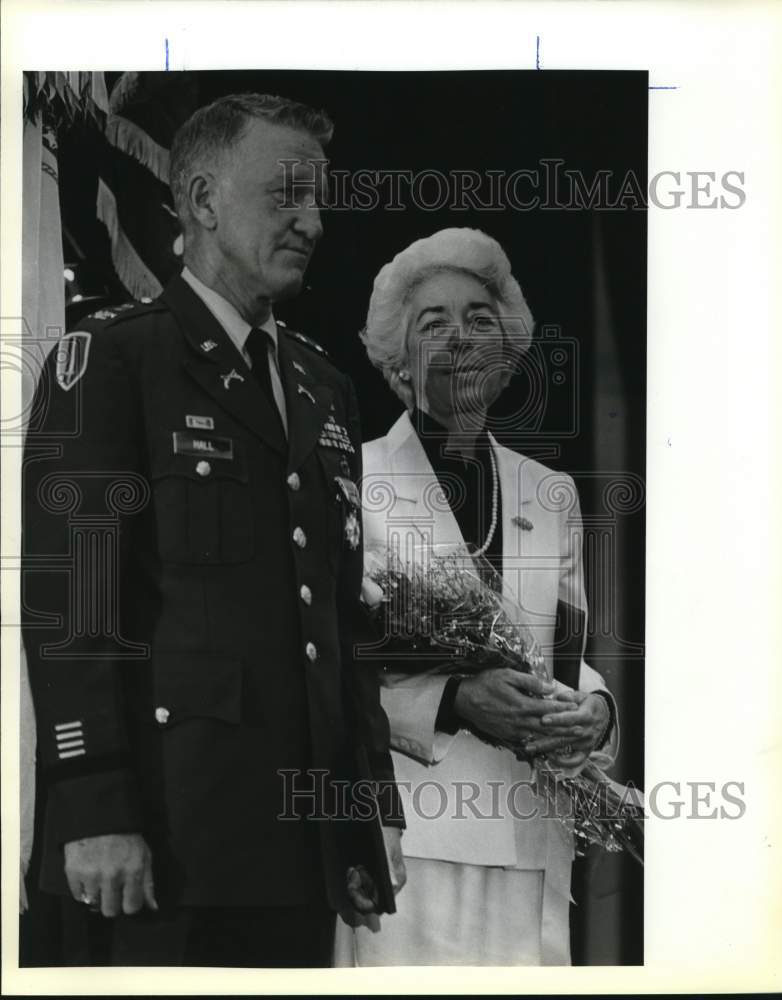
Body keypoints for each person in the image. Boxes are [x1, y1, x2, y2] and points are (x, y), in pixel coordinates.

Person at [21, 92, 405, 968]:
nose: (311, 221)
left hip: (297, 853)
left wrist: (360, 818)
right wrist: (92, 807)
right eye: (286, 194)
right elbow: (75, 604)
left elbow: (342, 626)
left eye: (318, 200)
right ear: (200, 201)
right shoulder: (115, 360)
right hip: (157, 848)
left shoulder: (322, 386)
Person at [334, 228, 619, 966]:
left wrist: (595, 711)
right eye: (435, 323)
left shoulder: (549, 493)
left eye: (479, 319)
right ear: (399, 361)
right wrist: (451, 701)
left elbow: (566, 653)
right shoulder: (350, 479)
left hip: (533, 834)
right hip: (412, 838)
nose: (462, 337)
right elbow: (324, 667)